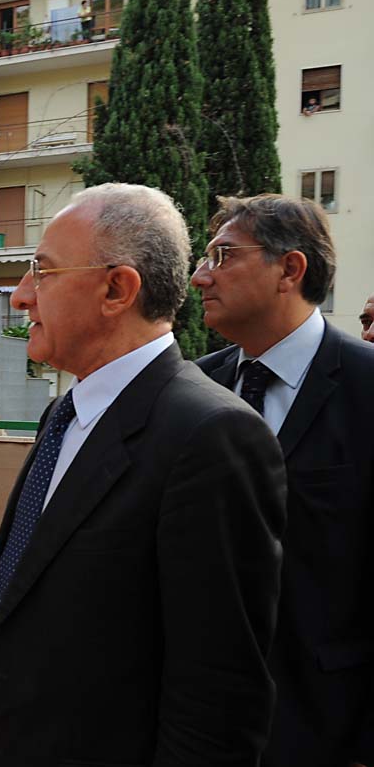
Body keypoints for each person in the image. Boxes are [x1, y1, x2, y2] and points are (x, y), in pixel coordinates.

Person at [0, 183, 286, 766]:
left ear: (117, 289)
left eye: (42, 272)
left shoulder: (212, 435)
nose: (22, 297)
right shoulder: (64, 413)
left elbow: (217, 698)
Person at [193, 194, 374, 767]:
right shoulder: (193, 389)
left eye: (223, 256)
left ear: (290, 269)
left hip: (325, 723)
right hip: (196, 719)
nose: (200, 277)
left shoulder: (367, 388)